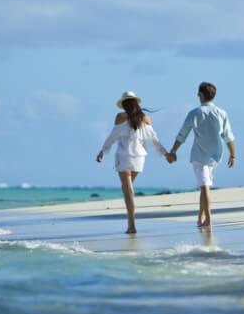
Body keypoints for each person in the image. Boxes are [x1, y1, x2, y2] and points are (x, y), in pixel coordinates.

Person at [96, 91, 168, 234]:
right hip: (139, 159)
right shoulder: (146, 119)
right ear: (136, 103)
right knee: (127, 188)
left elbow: (113, 136)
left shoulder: (120, 117)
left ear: (124, 104)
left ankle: (131, 225)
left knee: (127, 189)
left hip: (124, 157)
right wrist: (165, 153)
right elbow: (154, 140)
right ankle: (131, 223)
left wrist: (103, 151)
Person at [168, 82, 235, 228]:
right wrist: (232, 155)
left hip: (199, 156)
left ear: (201, 95)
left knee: (204, 187)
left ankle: (208, 219)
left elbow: (182, 134)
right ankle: (200, 218)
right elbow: (228, 136)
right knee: (204, 186)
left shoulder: (194, 113)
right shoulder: (222, 113)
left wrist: (173, 151)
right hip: (215, 156)